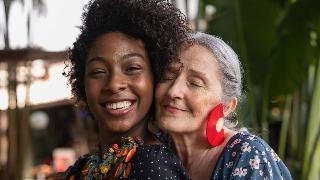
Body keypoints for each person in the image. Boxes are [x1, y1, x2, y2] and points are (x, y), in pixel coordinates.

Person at [64, 0, 190, 179]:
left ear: (156, 76)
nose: (114, 84)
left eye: (132, 68)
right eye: (98, 71)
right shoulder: (84, 168)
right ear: (82, 83)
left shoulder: (152, 166)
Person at [155, 32, 292, 179]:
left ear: (227, 106)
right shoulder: (152, 149)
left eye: (195, 83)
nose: (173, 91)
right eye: (168, 76)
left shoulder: (248, 155)